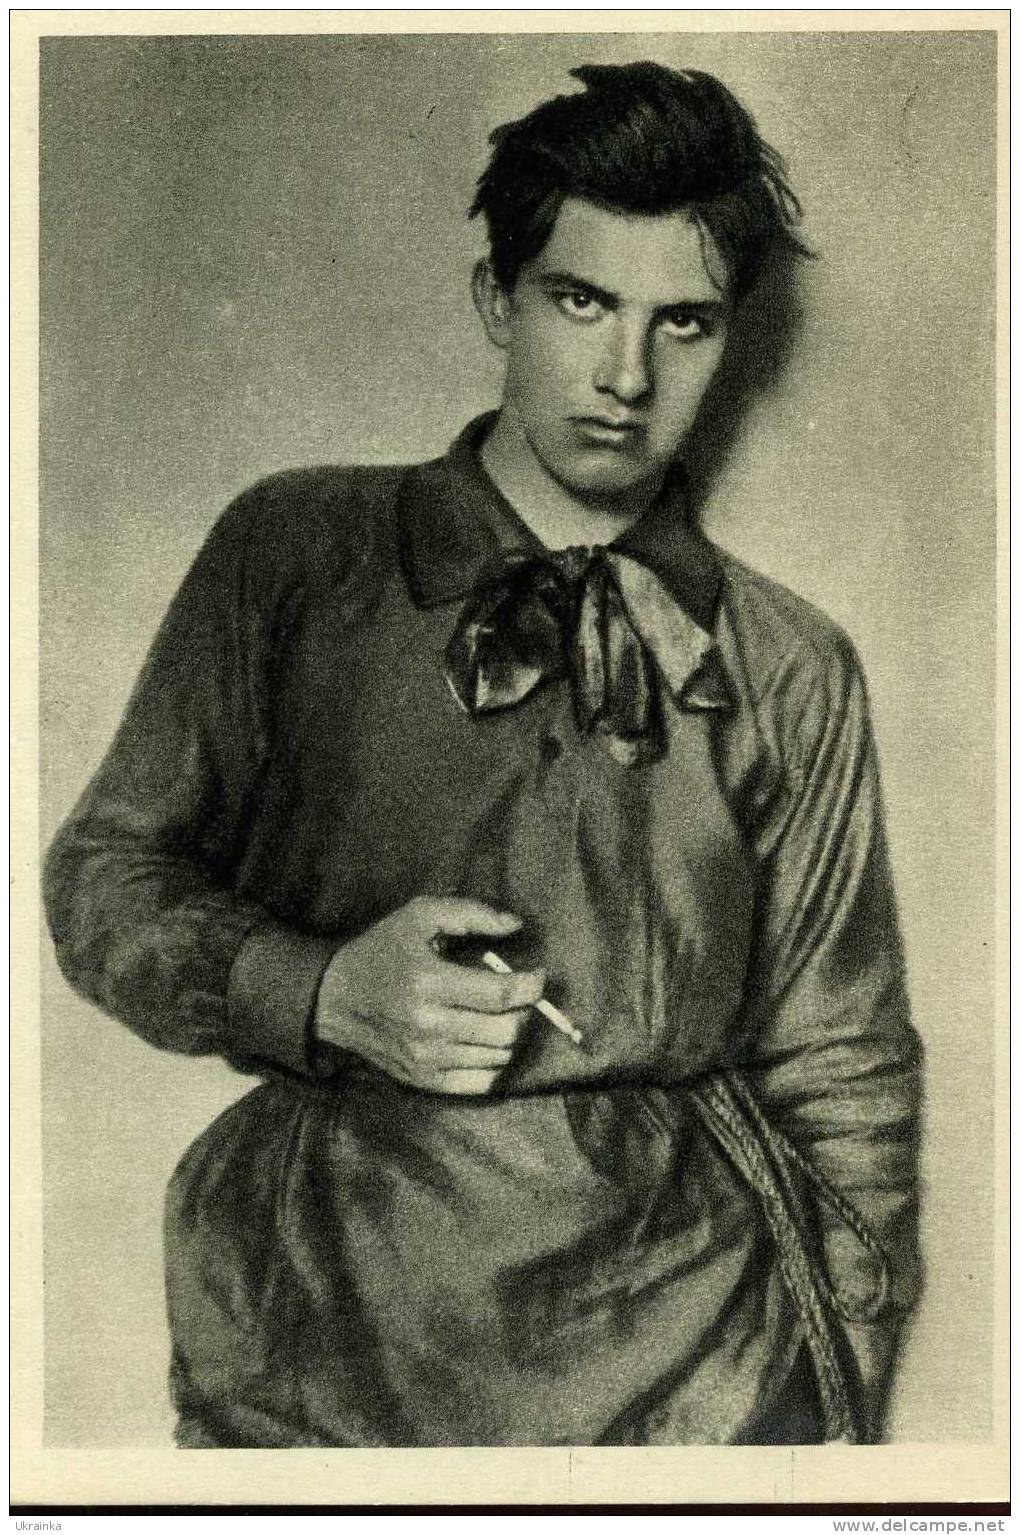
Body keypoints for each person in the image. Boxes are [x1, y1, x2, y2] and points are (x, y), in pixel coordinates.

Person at [44, 61, 923, 1447]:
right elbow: (102, 878)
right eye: (582, 302)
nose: (626, 378)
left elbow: (846, 1067)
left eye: (683, 323)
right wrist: (320, 991)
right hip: (325, 1346)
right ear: (497, 301)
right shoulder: (296, 551)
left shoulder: (791, 661)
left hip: (705, 1386)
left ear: (728, 340)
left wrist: (832, 1407)